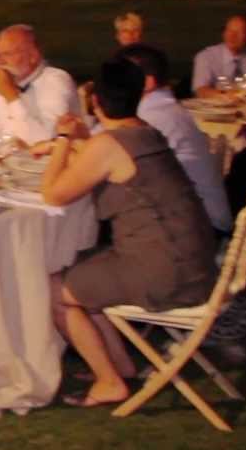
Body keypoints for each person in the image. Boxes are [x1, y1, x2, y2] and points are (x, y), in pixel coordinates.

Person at [42, 59, 218, 408]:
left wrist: (62, 138)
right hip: (195, 262)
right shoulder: (145, 131)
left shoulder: (109, 144)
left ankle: (109, 382)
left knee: (55, 289)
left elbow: (52, 193)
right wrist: (81, 139)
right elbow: (103, 158)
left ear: (96, 102)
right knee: (82, 266)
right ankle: (120, 365)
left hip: (167, 273)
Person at [116, 44, 233, 232]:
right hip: (198, 218)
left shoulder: (152, 118)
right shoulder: (168, 109)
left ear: (148, 82)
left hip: (199, 229)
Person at [0, 24, 78, 146]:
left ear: (33, 56)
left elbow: (44, 139)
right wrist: (0, 141)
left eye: (7, 54)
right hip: (5, 158)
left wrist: (11, 97)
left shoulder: (56, 81)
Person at [192, 15, 246, 97]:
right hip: (215, 107)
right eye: (229, 31)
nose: (232, 36)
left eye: (239, 32)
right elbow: (201, 91)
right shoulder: (206, 57)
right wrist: (227, 96)